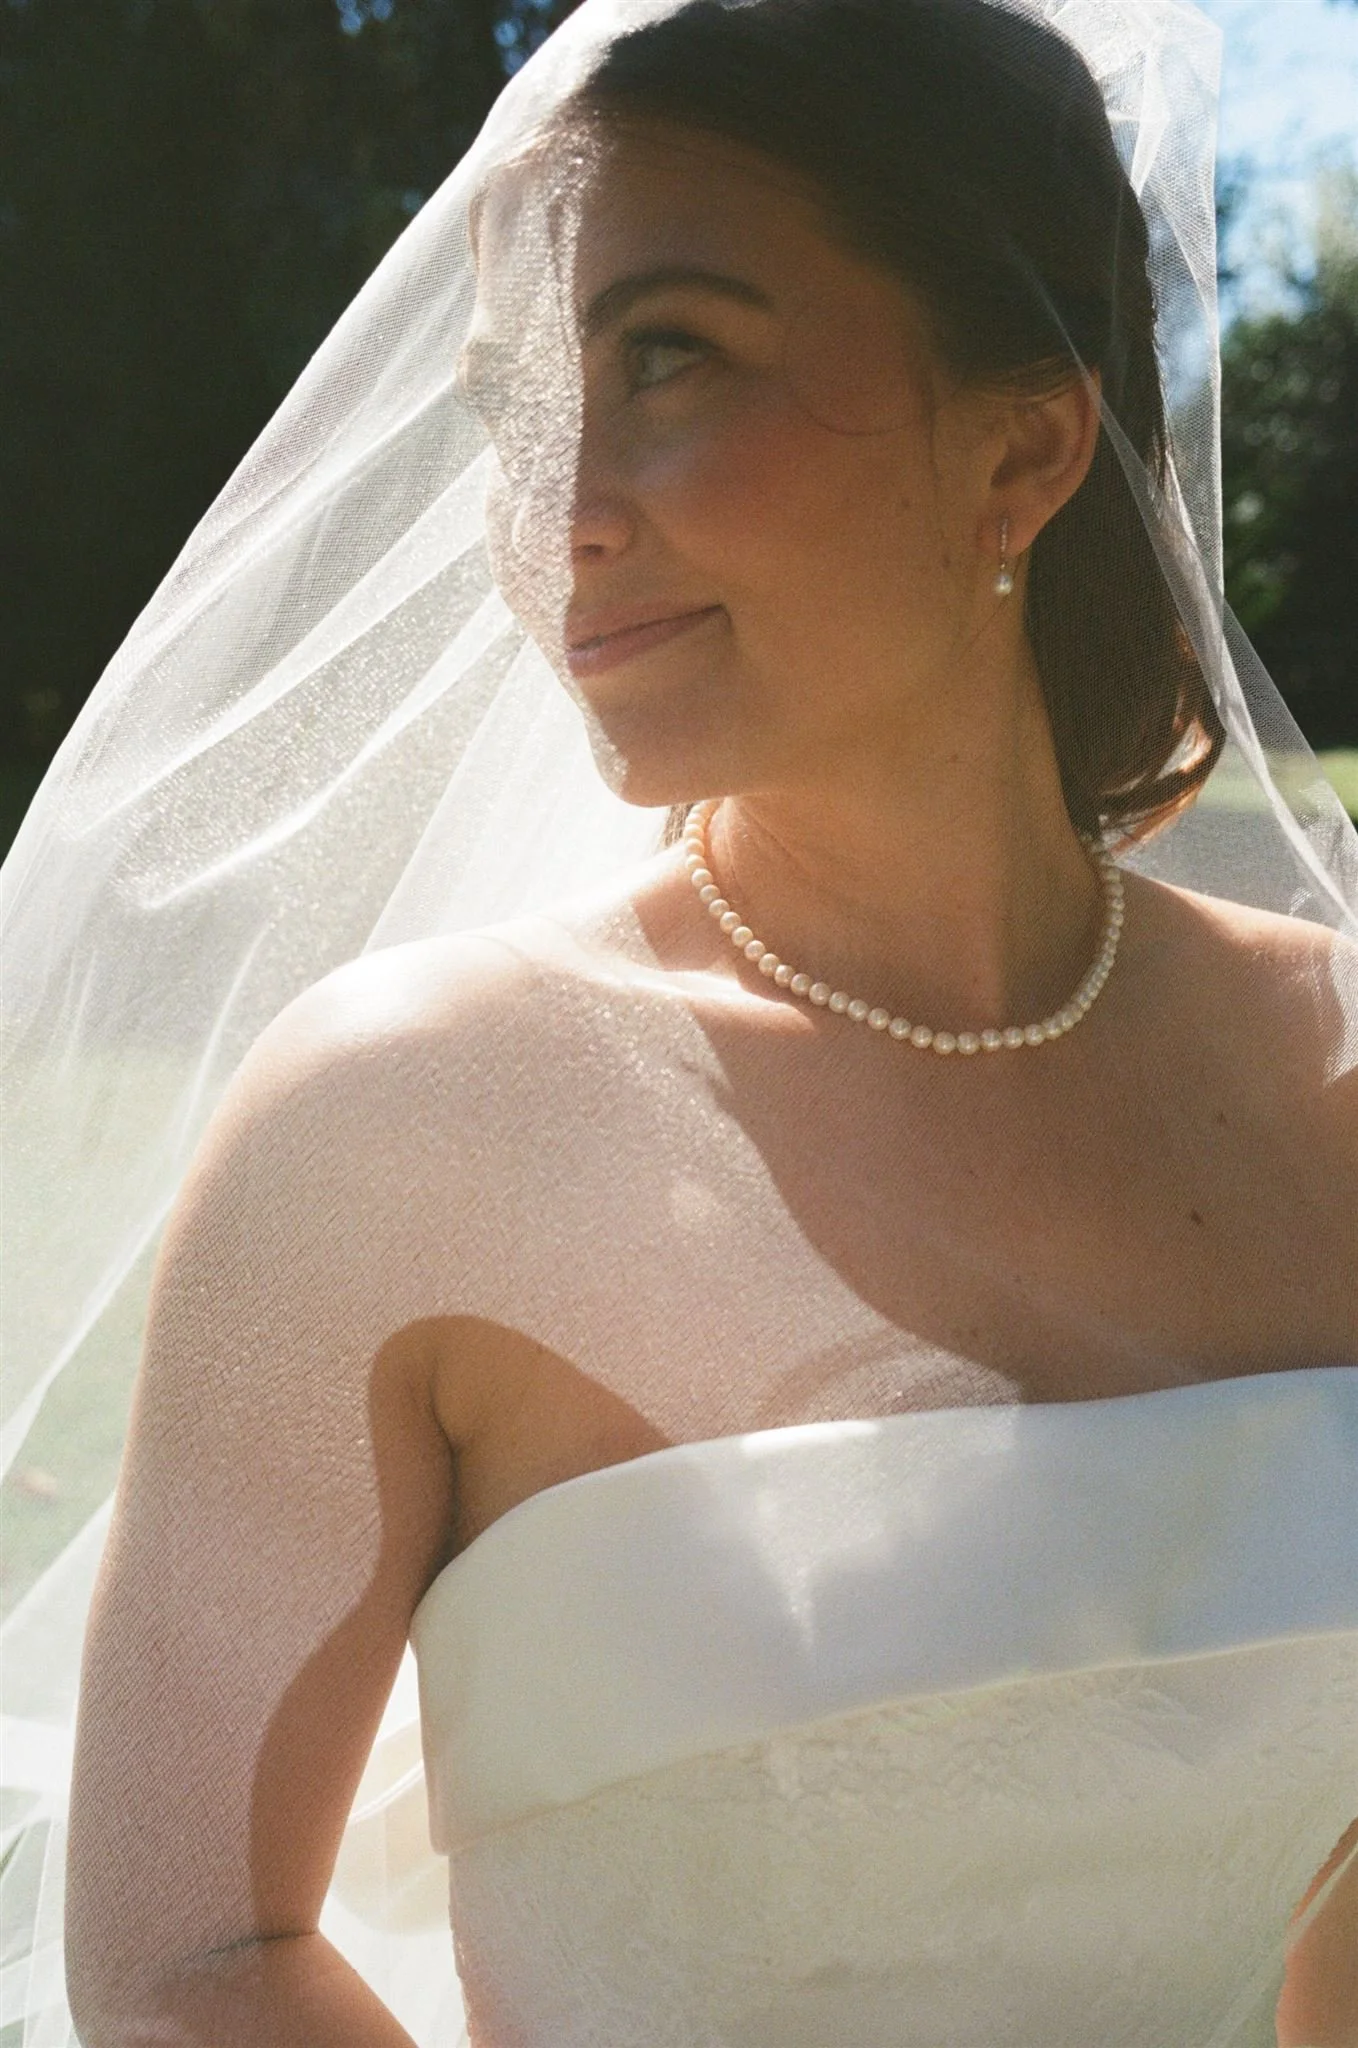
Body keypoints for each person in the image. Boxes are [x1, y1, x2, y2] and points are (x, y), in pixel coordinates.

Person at [2, 0, 1355, 2041]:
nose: (556, 511)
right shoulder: (391, 1128)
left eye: (669, 356)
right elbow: (192, 1958)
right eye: (510, 406)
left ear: (1023, 445)